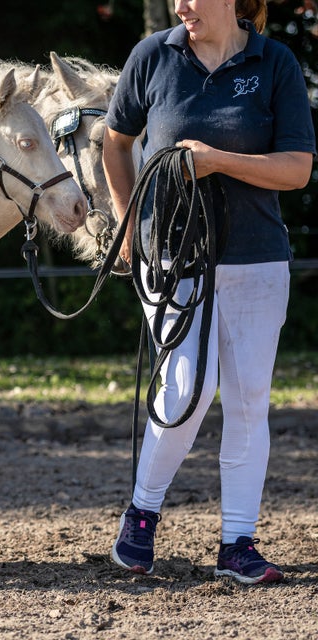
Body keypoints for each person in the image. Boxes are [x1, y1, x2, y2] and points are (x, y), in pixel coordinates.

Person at [102, 0, 316, 584]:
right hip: (173, 257)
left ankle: (237, 544)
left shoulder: (275, 64)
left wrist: (217, 161)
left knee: (249, 402)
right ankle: (141, 516)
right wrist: (127, 225)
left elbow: (296, 169)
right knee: (185, 393)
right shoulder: (153, 56)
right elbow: (115, 143)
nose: (181, 6)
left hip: (257, 259)